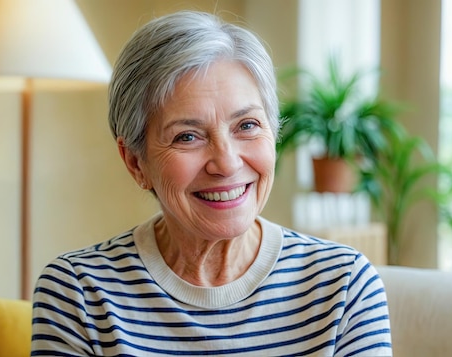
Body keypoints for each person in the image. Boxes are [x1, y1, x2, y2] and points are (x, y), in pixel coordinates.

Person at [31, 10, 392, 356]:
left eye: (247, 125)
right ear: (135, 162)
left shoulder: (344, 286)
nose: (227, 162)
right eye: (187, 136)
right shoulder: (78, 292)